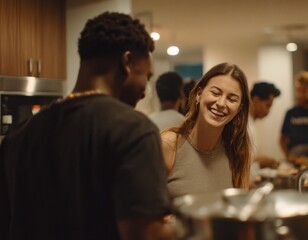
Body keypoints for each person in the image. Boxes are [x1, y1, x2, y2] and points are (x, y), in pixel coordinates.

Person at [0, 12, 172, 240]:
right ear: (127, 62)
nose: (144, 90)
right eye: (146, 76)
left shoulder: (19, 134)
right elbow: (147, 235)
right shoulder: (133, 128)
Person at [161, 62, 252, 199]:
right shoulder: (168, 145)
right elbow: (141, 210)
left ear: (239, 109)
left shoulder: (236, 152)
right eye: (215, 93)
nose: (221, 104)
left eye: (231, 99)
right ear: (199, 94)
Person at [280, 71, 308, 169]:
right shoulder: (291, 113)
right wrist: (288, 156)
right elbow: (282, 138)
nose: (298, 94)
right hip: (295, 164)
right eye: (297, 90)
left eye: (303, 90)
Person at [249, 82, 281, 169]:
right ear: (255, 100)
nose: (268, 111)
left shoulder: (251, 123)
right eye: (267, 105)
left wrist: (261, 161)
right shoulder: (243, 124)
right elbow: (235, 160)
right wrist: (259, 159)